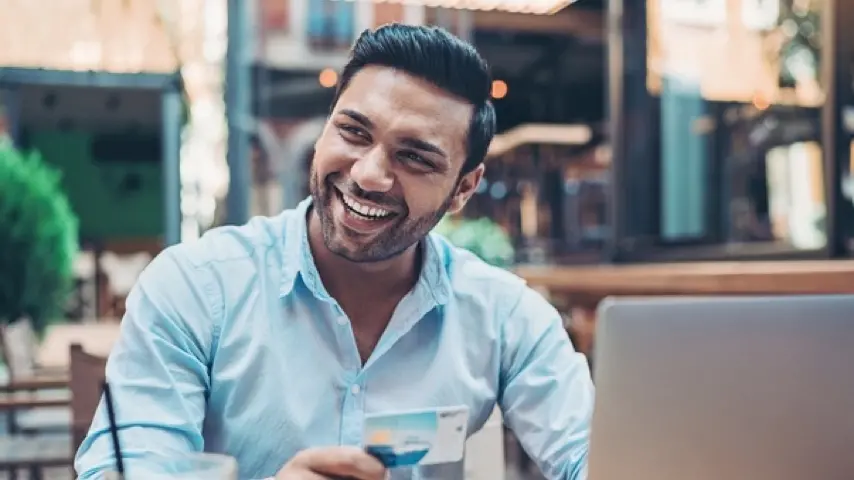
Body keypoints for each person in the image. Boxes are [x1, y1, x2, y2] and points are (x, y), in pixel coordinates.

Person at [75, 24, 594, 480]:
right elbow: (124, 472)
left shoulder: (505, 317)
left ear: (463, 188)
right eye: (352, 131)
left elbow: (595, 455)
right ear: (326, 128)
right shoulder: (195, 288)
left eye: (415, 158)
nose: (369, 174)